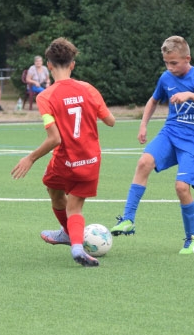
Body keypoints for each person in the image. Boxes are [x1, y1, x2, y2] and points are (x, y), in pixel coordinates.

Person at [11, 38, 116, 267]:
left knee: (55, 191)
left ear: (49, 65)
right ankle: (73, 241)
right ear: (73, 64)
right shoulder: (88, 89)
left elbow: (55, 139)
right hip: (90, 159)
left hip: (66, 160)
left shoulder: (46, 96)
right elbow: (110, 121)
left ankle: (72, 239)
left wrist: (30, 158)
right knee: (68, 200)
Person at [110, 36, 194, 255]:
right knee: (144, 162)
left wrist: (190, 95)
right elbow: (153, 100)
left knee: (181, 188)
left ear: (187, 58)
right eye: (166, 63)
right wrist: (143, 124)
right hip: (171, 132)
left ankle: (193, 237)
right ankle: (128, 219)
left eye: (174, 63)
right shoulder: (166, 77)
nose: (170, 67)